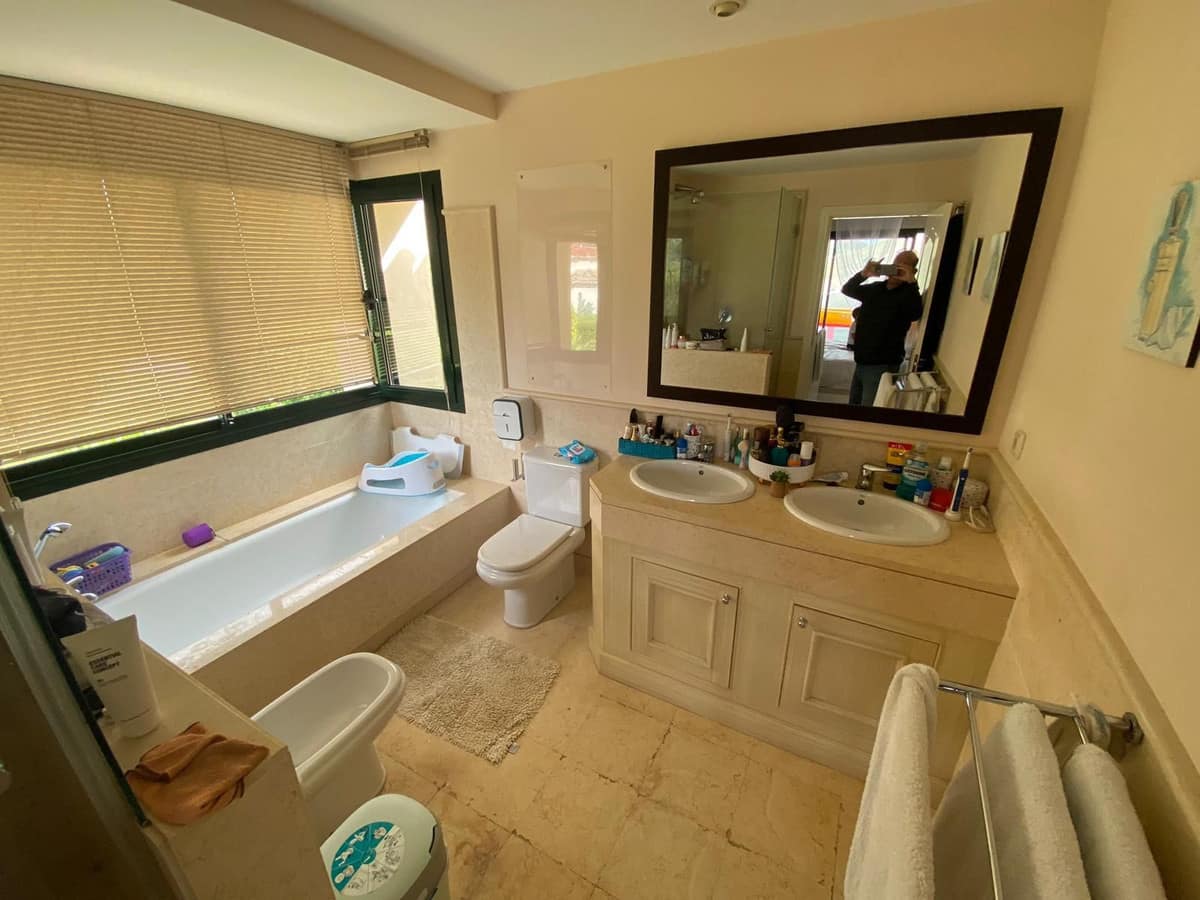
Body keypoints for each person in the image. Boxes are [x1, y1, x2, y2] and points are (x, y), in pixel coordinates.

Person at [840, 250, 923, 406]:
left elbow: (916, 313)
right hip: (861, 362)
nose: (897, 268)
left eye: (904, 265)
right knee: (853, 409)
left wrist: (912, 282)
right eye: (896, 263)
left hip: (883, 365)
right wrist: (864, 274)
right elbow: (847, 289)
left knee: (869, 412)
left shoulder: (908, 294)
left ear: (913, 270)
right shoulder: (875, 288)